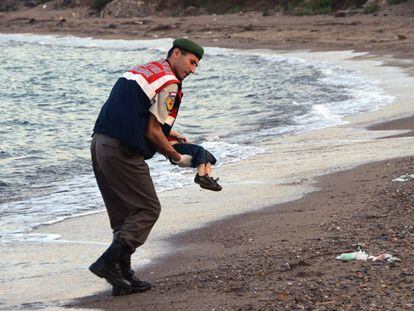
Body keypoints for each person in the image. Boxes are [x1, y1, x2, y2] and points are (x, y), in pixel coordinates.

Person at [89, 38, 204, 296]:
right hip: (121, 150)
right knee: (147, 208)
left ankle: (122, 278)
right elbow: (152, 132)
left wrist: (170, 134)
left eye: (196, 66)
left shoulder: (146, 69)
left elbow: (136, 114)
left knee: (122, 215)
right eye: (191, 62)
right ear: (176, 53)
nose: (193, 70)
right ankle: (108, 262)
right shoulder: (170, 83)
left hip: (99, 144)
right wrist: (177, 158)